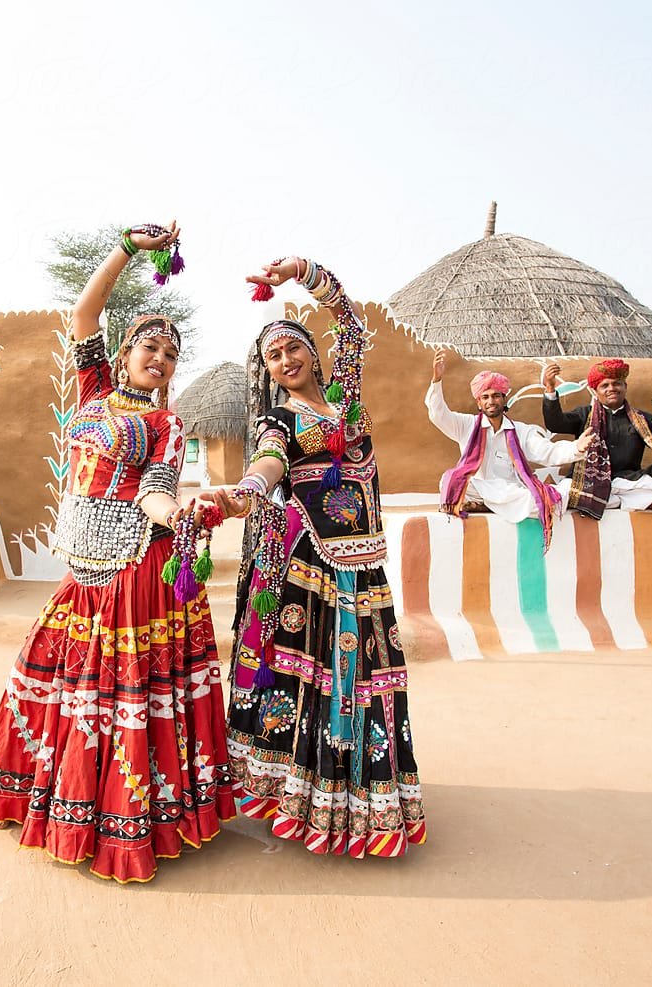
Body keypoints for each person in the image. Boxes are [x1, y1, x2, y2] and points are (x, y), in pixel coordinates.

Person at [0, 222, 235, 884]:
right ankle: (44, 797)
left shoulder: (166, 425)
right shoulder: (92, 391)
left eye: (172, 356)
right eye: (151, 346)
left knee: (120, 698)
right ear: (123, 354)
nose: (162, 359)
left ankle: (117, 826)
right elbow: (84, 309)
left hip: (134, 568)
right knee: (50, 673)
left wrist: (177, 513)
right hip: (83, 564)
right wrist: (128, 246)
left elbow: (154, 488)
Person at [207, 256, 425, 858]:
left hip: (364, 563)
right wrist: (248, 489)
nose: (286, 361)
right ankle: (304, 797)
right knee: (317, 676)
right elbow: (270, 460)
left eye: (293, 348)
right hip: (313, 565)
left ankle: (365, 802)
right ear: (269, 372)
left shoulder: (345, 400)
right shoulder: (280, 418)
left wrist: (304, 271)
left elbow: (352, 325)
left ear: (313, 353)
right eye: (274, 357)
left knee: (366, 679)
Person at [428, 349, 592, 549]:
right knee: (449, 480)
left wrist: (577, 447)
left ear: (504, 399)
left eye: (496, 396)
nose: (491, 401)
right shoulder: (467, 425)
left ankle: (490, 506)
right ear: (478, 402)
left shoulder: (521, 432)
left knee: (542, 499)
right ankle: (488, 503)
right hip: (480, 489)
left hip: (512, 491)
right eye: (485, 397)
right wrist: (437, 380)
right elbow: (439, 415)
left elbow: (548, 452)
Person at [542, 358, 652, 517]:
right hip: (588, 481)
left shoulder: (641, 419)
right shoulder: (584, 414)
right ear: (595, 391)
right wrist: (550, 390)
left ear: (625, 387)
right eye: (605, 385)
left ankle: (604, 500)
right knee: (565, 490)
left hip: (625, 482)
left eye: (616, 384)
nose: (612, 388)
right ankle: (620, 501)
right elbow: (555, 424)